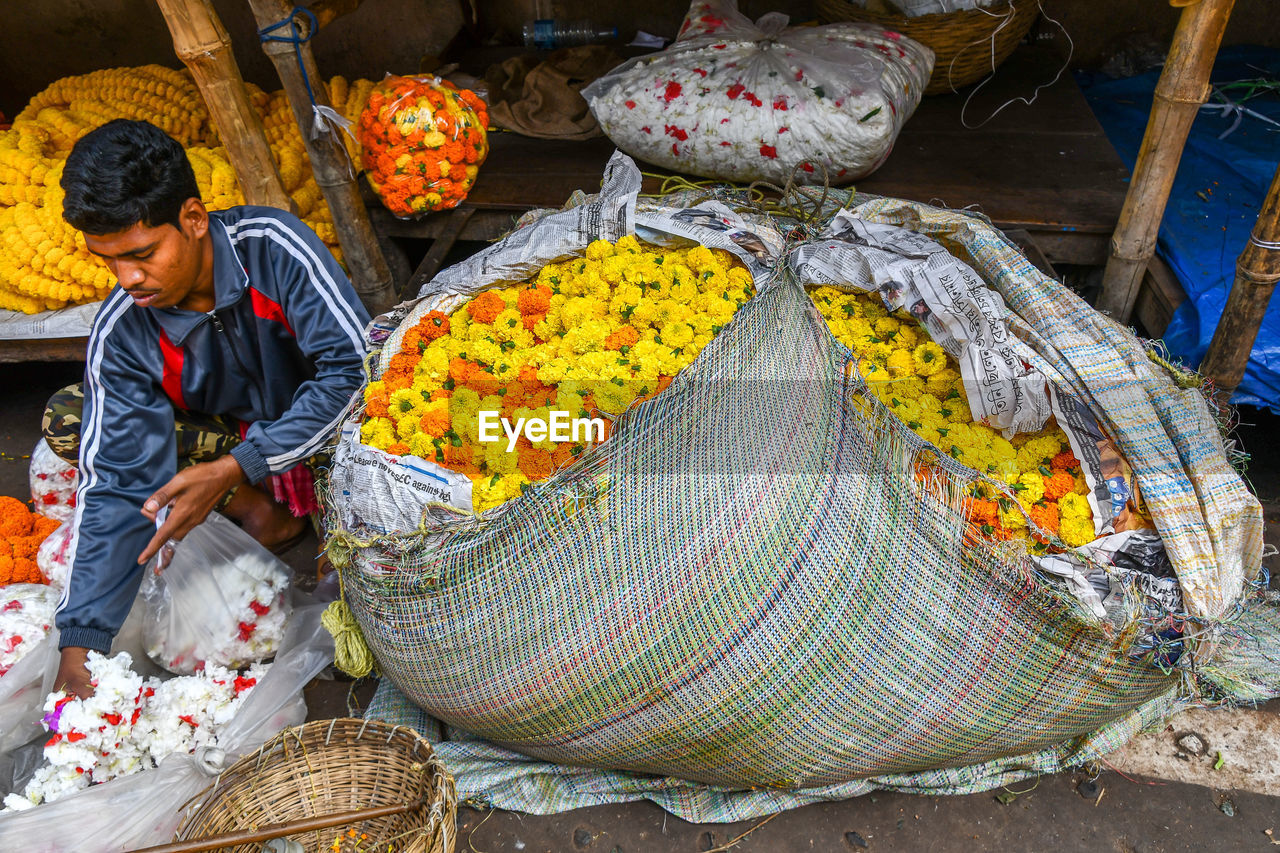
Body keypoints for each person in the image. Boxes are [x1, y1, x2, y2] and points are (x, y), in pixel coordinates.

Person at [46, 119, 371, 698]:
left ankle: (322, 521)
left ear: (194, 220)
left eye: (142, 254)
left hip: (322, 435)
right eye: (109, 261)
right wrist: (81, 645)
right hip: (225, 439)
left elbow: (353, 374)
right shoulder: (124, 331)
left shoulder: (274, 249)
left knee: (364, 600)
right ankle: (263, 516)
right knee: (74, 415)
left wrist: (239, 464)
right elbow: (116, 483)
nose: (128, 279)